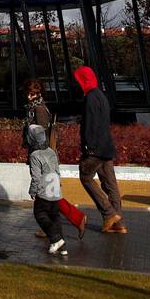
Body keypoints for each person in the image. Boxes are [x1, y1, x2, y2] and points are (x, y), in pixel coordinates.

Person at [23, 81, 86, 240]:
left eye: (32, 94)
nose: (29, 96)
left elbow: (42, 136)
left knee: (46, 195)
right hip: (43, 156)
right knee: (48, 194)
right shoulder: (36, 108)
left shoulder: (39, 110)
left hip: (42, 157)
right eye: (28, 93)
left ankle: (75, 218)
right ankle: (53, 225)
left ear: (39, 94)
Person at [73, 65, 126, 233]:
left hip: (95, 149)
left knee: (86, 177)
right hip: (106, 147)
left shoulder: (90, 98)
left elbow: (90, 125)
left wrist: (88, 147)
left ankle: (109, 213)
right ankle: (118, 223)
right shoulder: (101, 96)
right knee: (111, 185)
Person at [26, 123, 68, 256]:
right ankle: (62, 246)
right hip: (55, 189)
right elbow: (57, 170)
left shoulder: (35, 155)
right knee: (55, 216)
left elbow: (36, 177)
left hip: (44, 191)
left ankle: (56, 239)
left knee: (40, 214)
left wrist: (32, 191)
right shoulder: (51, 151)